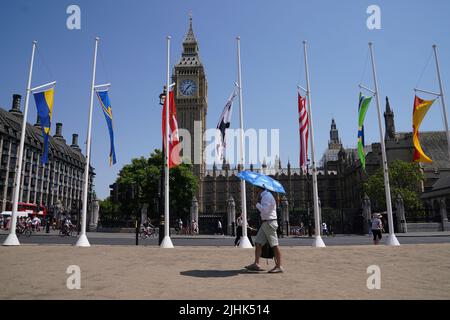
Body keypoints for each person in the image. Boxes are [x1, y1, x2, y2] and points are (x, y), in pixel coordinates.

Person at [245, 186, 284, 273]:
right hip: (265, 223)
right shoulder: (264, 196)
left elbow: (265, 210)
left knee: (274, 245)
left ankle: (279, 266)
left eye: (255, 187)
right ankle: (256, 264)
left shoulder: (267, 196)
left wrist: (256, 203)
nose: (254, 189)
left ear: (259, 188)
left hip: (269, 223)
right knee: (258, 243)